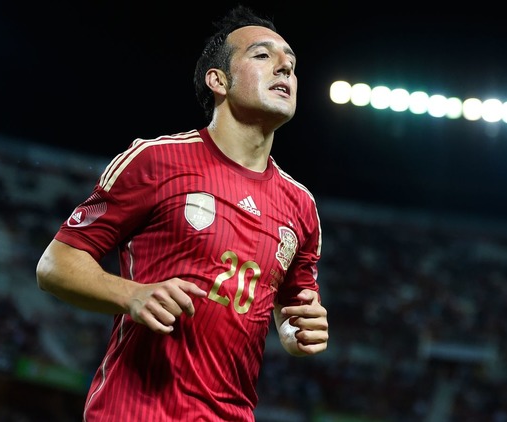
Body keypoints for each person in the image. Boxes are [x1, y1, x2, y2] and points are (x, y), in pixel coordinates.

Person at [36, 4, 329, 421]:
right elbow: (55, 265)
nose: (285, 67)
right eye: (263, 55)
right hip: (135, 412)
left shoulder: (301, 206)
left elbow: (290, 312)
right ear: (218, 80)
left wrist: (298, 332)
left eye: (291, 64)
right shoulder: (156, 161)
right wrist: (132, 294)